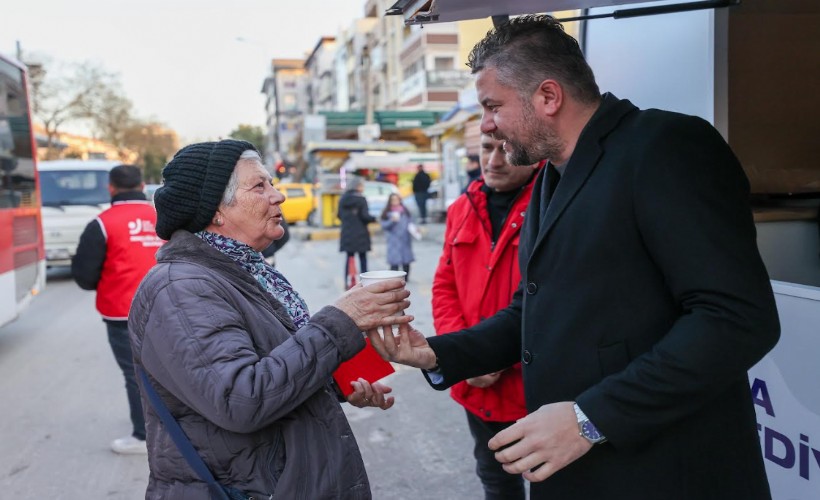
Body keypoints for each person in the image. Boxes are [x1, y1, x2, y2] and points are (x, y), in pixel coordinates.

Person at [365, 14, 780, 500]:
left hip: (668, 473)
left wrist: (590, 419)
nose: (486, 125)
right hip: (585, 476)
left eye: (493, 106)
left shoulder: (665, 146)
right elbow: (534, 309)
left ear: (548, 96)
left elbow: (736, 317)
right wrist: (439, 353)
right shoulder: (551, 177)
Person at [129, 140, 411, 499]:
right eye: (259, 186)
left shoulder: (245, 270)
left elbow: (271, 366)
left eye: (271, 184)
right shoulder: (181, 288)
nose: (277, 196)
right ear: (216, 209)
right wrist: (341, 319)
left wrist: (337, 384)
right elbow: (240, 398)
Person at [432, 133, 541, 499]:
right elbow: (445, 288)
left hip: (536, 384)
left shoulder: (552, 202)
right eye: (486, 149)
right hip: (479, 385)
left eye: (506, 150)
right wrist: (467, 357)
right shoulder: (461, 209)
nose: (493, 161)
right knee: (496, 481)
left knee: (556, 482)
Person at [71, 164, 163, 455]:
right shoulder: (164, 216)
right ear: (142, 184)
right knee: (171, 368)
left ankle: (143, 435)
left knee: (135, 374)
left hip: (122, 312)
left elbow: (84, 275)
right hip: (169, 306)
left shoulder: (102, 223)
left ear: (111, 188)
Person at [338, 176, 376, 287]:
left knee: (349, 257)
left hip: (347, 232)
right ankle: (365, 282)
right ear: (358, 186)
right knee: (362, 258)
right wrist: (374, 219)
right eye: (362, 185)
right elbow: (365, 216)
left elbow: (339, 215)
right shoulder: (361, 199)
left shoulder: (343, 199)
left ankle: (348, 281)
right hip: (360, 233)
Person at [379, 192, 415, 280]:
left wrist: (415, 230)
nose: (395, 201)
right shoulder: (387, 212)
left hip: (405, 239)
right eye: (393, 200)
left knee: (406, 259)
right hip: (393, 240)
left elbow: (411, 223)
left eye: (397, 199)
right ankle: (394, 279)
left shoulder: (405, 211)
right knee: (394, 262)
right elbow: (384, 226)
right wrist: (391, 221)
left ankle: (406, 278)